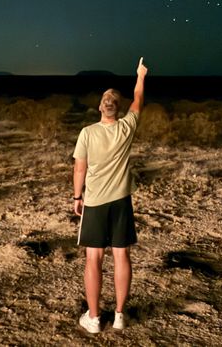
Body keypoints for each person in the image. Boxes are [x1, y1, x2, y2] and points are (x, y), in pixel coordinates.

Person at [73, 57, 148, 333]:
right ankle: (118, 316)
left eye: (109, 96)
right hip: (120, 202)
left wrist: (76, 197)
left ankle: (93, 319)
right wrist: (140, 76)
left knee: (94, 258)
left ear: (102, 107)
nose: (108, 99)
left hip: (94, 203)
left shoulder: (87, 133)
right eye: (108, 96)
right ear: (116, 108)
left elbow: (80, 168)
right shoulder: (127, 127)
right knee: (121, 256)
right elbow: (138, 100)